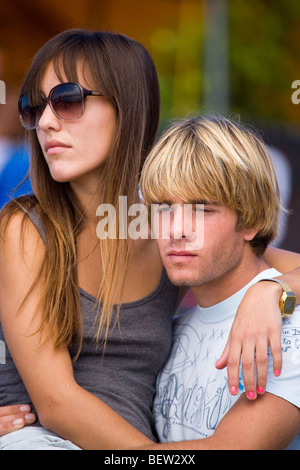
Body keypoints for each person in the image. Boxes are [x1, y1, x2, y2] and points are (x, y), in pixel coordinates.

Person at [0, 29, 300, 450]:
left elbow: (256, 253)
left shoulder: (163, 228)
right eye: (34, 107)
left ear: (127, 106)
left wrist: (272, 289)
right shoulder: (25, 227)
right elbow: (57, 403)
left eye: (68, 100)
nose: (46, 121)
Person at [139, 115, 300, 450]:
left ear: (251, 221)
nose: (177, 229)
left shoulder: (288, 322)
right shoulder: (170, 327)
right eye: (164, 207)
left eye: (202, 209)